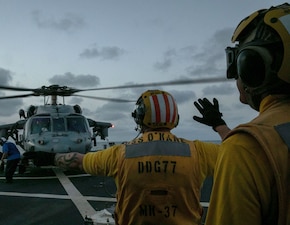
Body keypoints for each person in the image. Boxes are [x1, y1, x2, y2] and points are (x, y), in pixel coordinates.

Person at [30, 89, 220, 225]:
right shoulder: (199, 151)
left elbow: (78, 160)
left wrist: (49, 159)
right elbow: (240, 154)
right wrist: (219, 125)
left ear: (139, 116)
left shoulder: (120, 154)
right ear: (175, 119)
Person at [193, 3, 290, 225]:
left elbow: (259, 151)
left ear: (251, 67)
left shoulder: (244, 149)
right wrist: (220, 125)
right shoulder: (255, 144)